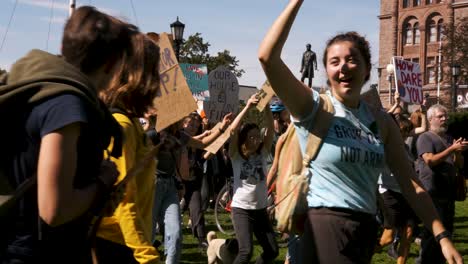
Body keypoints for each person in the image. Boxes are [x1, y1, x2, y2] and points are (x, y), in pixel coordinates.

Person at [258, 1, 463, 263]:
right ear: (327, 71)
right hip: (323, 229)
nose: (343, 67)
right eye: (334, 61)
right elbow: (267, 57)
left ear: (367, 69)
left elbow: (411, 184)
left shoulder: (381, 121)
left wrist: (442, 236)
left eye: (351, 60)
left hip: (364, 231)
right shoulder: (313, 107)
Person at [0, 6, 137, 263]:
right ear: (111, 63)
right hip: (34, 254)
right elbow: (55, 208)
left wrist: (96, 195)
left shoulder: (46, 88)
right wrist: (103, 183)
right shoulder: (67, 105)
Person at [94, 33, 161, 264]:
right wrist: (147, 256)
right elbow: (125, 201)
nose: (159, 81)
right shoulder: (122, 125)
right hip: (115, 247)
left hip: (123, 244)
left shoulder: (130, 122)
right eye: (154, 72)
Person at [150, 112, 232, 264]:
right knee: (147, 236)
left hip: (171, 188)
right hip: (153, 186)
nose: (185, 121)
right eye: (182, 117)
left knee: (175, 235)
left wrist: (221, 128)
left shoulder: (180, 136)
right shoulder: (155, 133)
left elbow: (203, 143)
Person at [228, 93, 279, 264]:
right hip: (241, 209)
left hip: (260, 210)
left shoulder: (262, 153)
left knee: (272, 251)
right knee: (245, 252)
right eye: (252, 136)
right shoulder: (236, 155)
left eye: (258, 136)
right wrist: (248, 106)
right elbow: (233, 130)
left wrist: (266, 109)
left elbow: (271, 129)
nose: (257, 140)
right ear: (244, 139)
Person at [415, 104, 468, 264]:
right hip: (432, 192)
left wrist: (458, 153)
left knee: (447, 234)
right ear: (431, 119)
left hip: (448, 193)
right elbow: (430, 160)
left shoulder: (449, 138)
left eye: (446, 116)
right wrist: (452, 149)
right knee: (432, 237)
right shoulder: (425, 137)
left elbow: (459, 165)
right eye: (440, 116)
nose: (445, 119)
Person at [376, 115, 417, 264]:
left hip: (406, 193)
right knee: (388, 238)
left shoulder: (405, 148)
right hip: (388, 192)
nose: (405, 135)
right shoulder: (383, 146)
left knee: (408, 233)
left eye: (407, 132)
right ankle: (361, 252)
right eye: (403, 131)